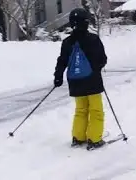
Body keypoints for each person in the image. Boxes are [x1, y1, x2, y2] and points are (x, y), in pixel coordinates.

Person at [53, 8, 107, 150]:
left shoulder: (67, 42)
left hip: (75, 82)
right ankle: (95, 139)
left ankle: (78, 137)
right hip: (93, 81)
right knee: (96, 110)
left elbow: (62, 61)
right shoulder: (93, 39)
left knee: (81, 109)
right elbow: (102, 60)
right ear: (87, 22)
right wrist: (96, 69)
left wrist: (58, 77)